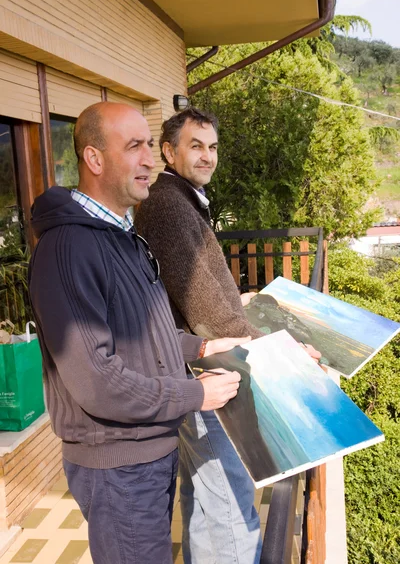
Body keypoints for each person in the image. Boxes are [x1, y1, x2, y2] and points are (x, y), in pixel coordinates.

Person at [28, 102, 248, 564]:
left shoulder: (122, 236)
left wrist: (205, 345)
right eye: (134, 147)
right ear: (94, 159)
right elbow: (97, 383)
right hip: (117, 466)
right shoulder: (69, 249)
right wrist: (194, 394)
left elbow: (146, 331)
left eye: (149, 144)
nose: (150, 159)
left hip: (145, 452)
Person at [135, 107, 321, 564]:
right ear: (168, 151)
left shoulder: (180, 199)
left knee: (202, 497)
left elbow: (197, 287)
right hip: (205, 377)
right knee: (232, 513)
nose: (207, 156)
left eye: (212, 146)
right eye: (195, 146)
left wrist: (239, 300)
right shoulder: (167, 206)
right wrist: (280, 347)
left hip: (187, 373)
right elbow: (208, 315)